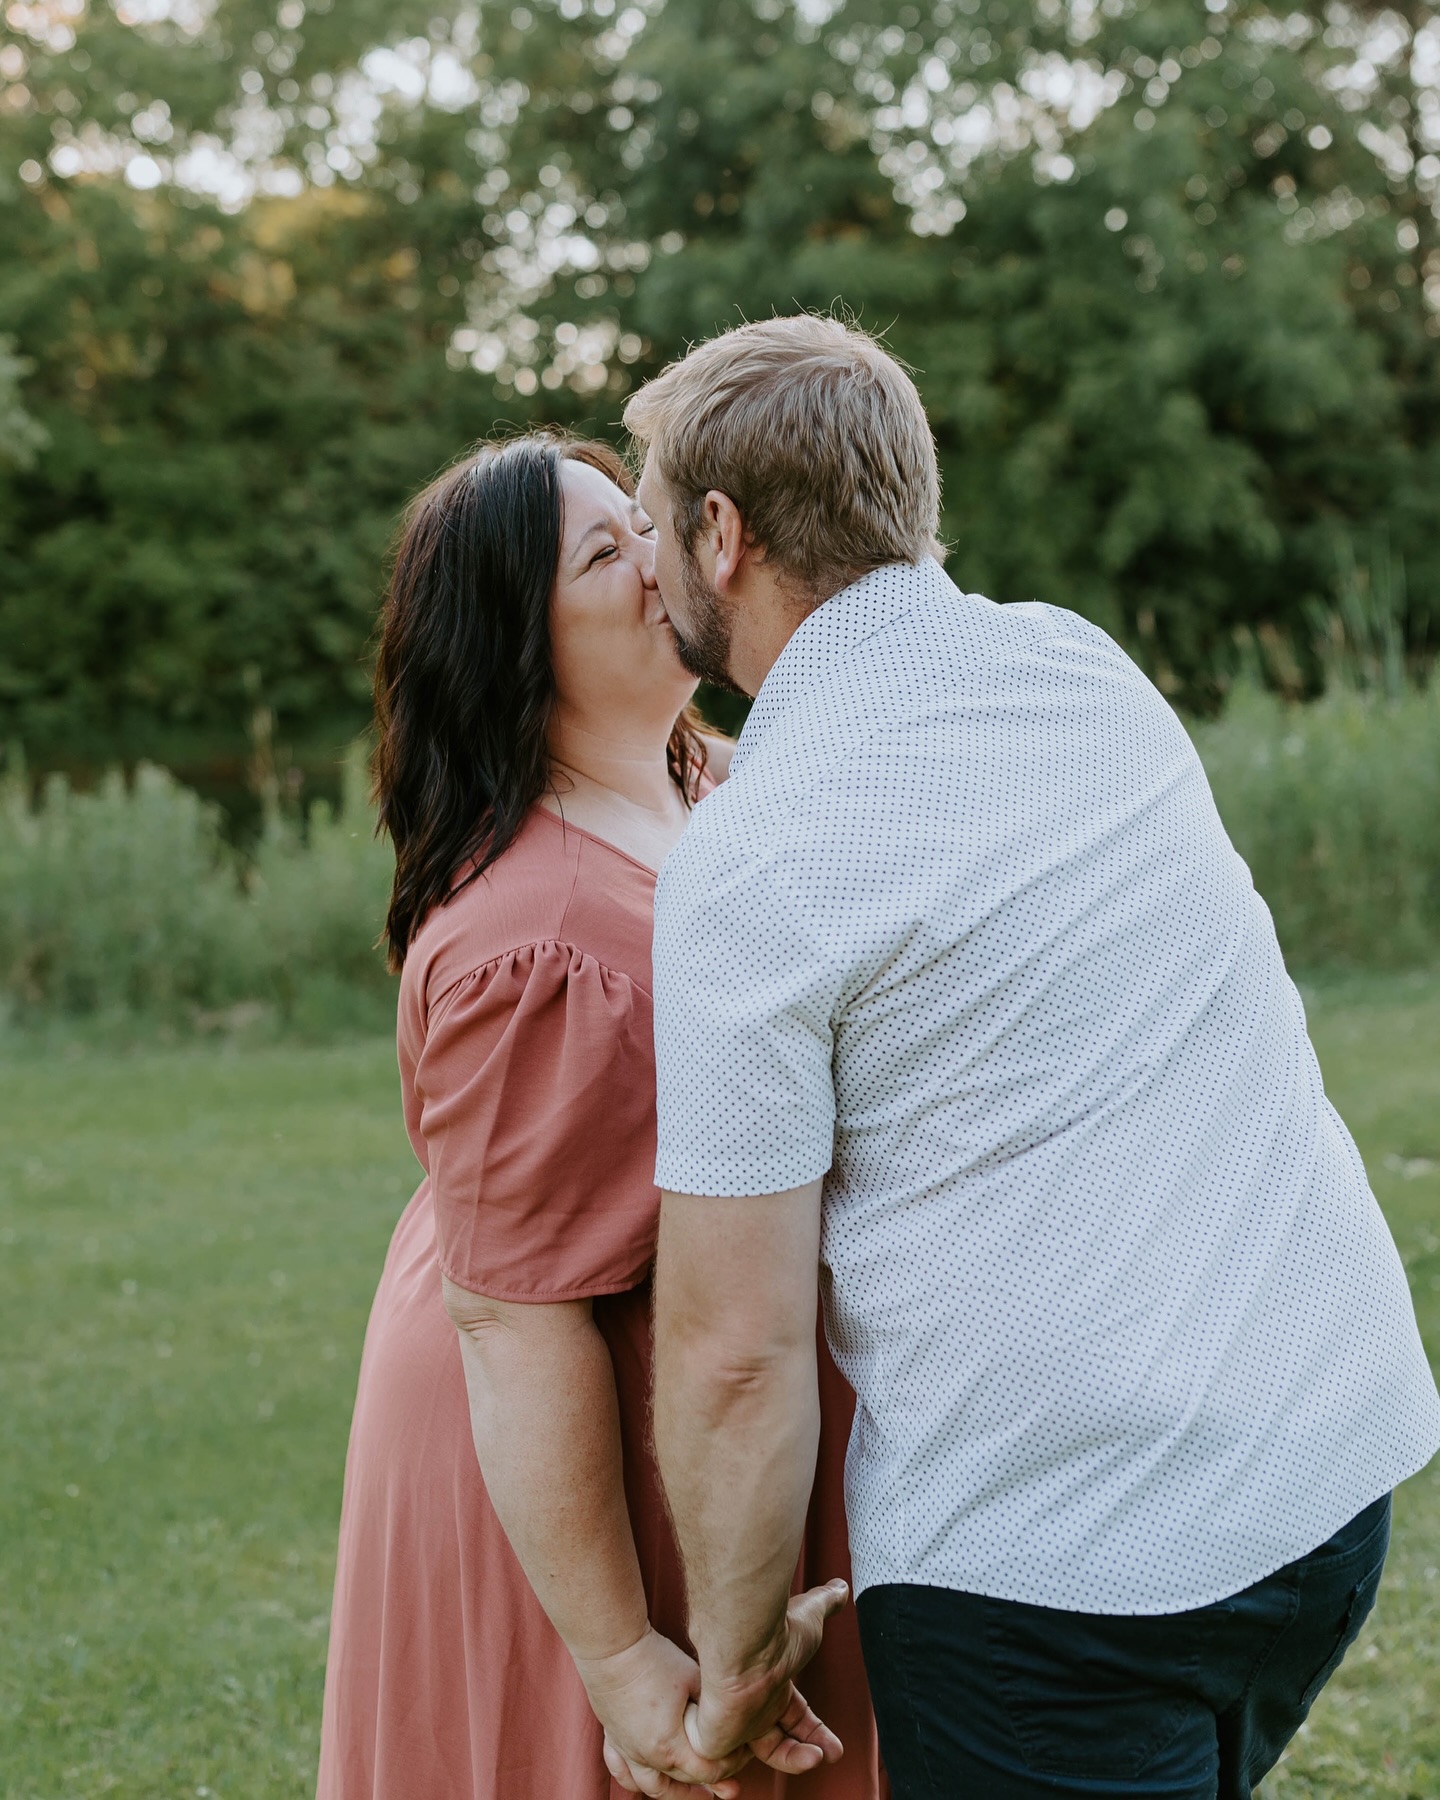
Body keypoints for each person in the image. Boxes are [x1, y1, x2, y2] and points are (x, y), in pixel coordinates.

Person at [622, 316, 1440, 1800]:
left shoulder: (753, 857)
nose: (646, 566)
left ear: (722, 536)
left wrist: (736, 1670)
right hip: (1328, 1470)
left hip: (1061, 1586)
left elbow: (732, 1352)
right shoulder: (1080, 669)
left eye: (653, 527)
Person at [315, 434, 883, 1800]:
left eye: (643, 524)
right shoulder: (532, 931)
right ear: (515, 643)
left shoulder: (715, 783)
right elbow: (515, 1316)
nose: (659, 554)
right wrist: (624, 1655)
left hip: (709, 1390)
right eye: (603, 552)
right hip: (580, 1442)